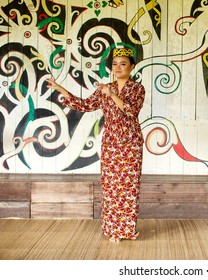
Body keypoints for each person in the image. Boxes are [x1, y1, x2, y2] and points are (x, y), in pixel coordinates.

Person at [47, 47, 145, 242]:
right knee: (110, 187)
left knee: (128, 186)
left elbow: (130, 111)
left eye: (123, 63)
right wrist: (60, 89)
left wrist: (111, 94)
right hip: (110, 143)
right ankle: (112, 231)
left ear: (132, 67)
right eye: (115, 64)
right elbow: (84, 105)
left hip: (131, 144)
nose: (118, 67)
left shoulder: (137, 89)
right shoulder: (105, 88)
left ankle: (126, 230)